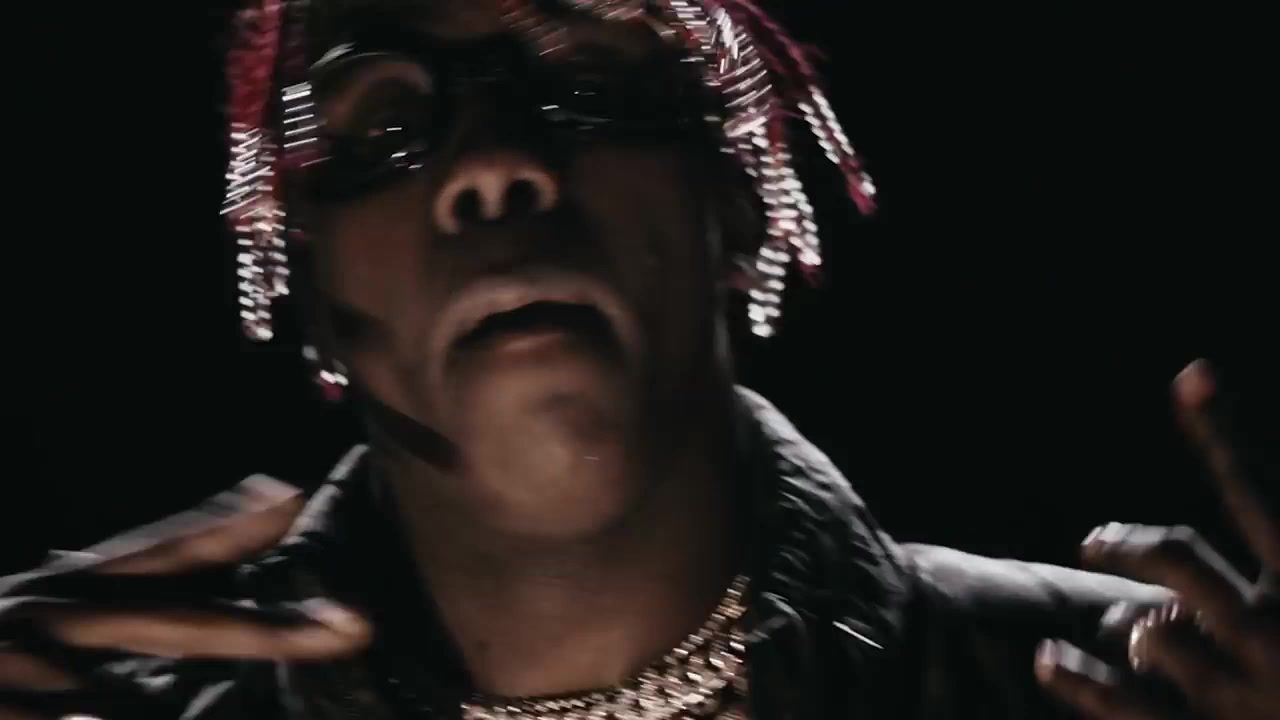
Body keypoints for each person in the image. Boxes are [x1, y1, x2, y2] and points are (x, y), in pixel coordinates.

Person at [2, 1, 1276, 718]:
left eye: (591, 74)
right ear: (315, 284)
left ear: (736, 194)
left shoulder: (1129, 696)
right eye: (382, 120)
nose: (495, 164)